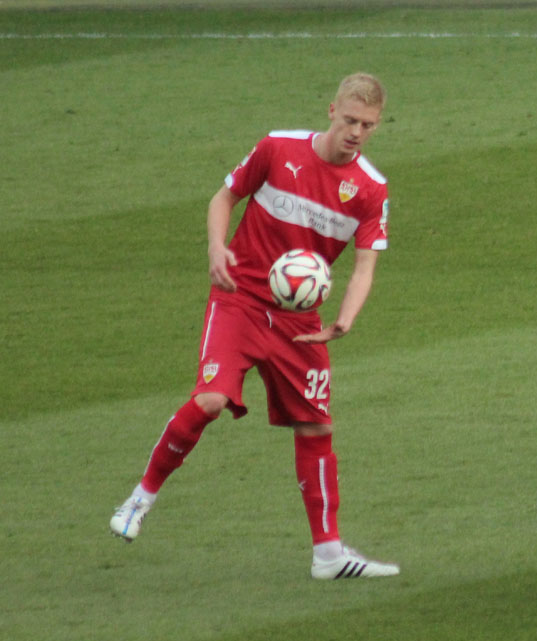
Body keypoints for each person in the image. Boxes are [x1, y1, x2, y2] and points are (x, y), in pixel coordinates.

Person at [109, 73, 400, 581]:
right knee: (211, 400)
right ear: (331, 110)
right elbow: (224, 198)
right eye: (350, 120)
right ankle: (141, 496)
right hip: (239, 299)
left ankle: (328, 554)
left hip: (300, 323)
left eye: (368, 125)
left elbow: (366, 266)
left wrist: (345, 321)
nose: (356, 131)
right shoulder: (276, 148)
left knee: (316, 427)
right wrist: (215, 246)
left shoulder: (371, 190)